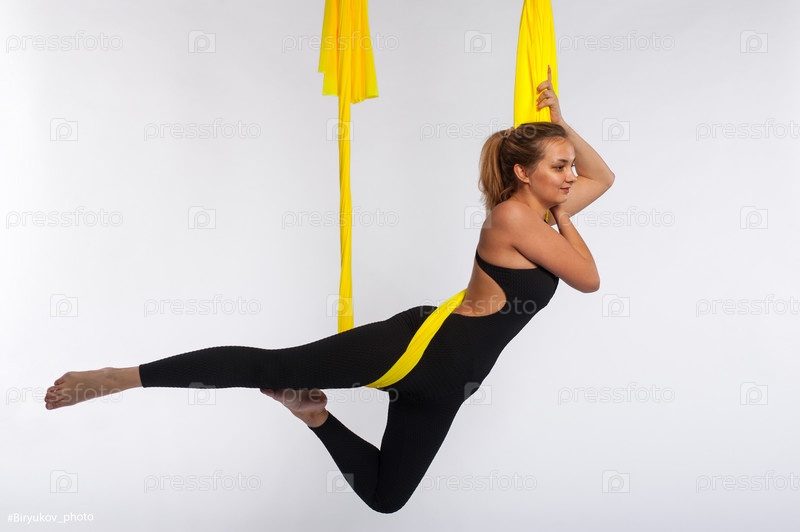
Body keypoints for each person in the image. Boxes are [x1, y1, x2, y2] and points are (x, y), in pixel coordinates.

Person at [44, 72, 614, 513]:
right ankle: (119, 377)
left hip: (452, 381)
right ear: (522, 174)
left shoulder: (541, 219)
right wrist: (566, 213)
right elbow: (588, 278)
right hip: (421, 347)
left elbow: (604, 178)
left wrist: (562, 123)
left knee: (387, 497)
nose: (571, 177)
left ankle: (314, 415)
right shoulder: (515, 218)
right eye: (559, 166)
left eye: (569, 167)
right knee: (272, 365)